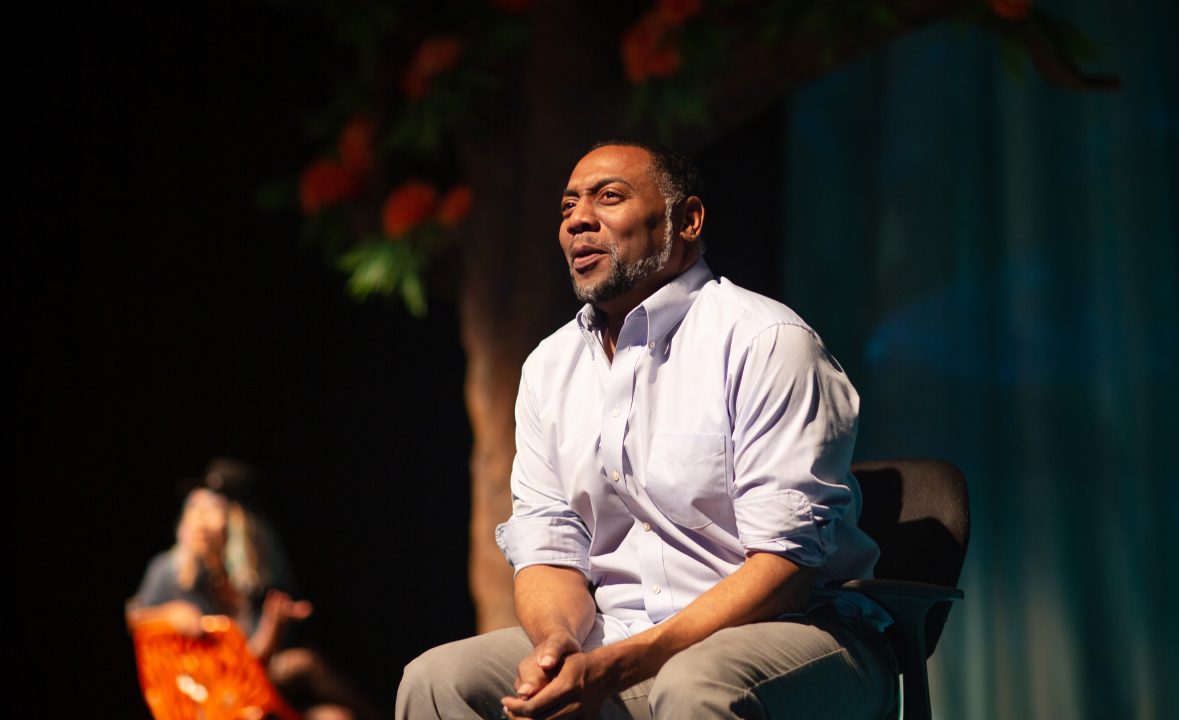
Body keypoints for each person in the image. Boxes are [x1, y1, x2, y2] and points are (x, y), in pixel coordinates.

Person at [396, 141, 897, 720]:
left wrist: (625, 664)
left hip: (799, 633)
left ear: (687, 220)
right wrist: (557, 638)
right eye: (567, 207)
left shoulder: (765, 342)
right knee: (437, 680)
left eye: (609, 197)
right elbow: (550, 546)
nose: (579, 219)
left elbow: (786, 569)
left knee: (696, 685)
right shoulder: (549, 367)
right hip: (619, 633)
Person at [129, 471, 380, 720]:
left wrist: (274, 623)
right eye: (195, 509)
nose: (201, 519)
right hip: (204, 696)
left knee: (334, 715)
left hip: (241, 684)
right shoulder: (170, 570)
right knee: (304, 664)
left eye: (212, 509)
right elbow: (135, 616)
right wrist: (171, 613)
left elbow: (250, 659)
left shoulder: (244, 579)